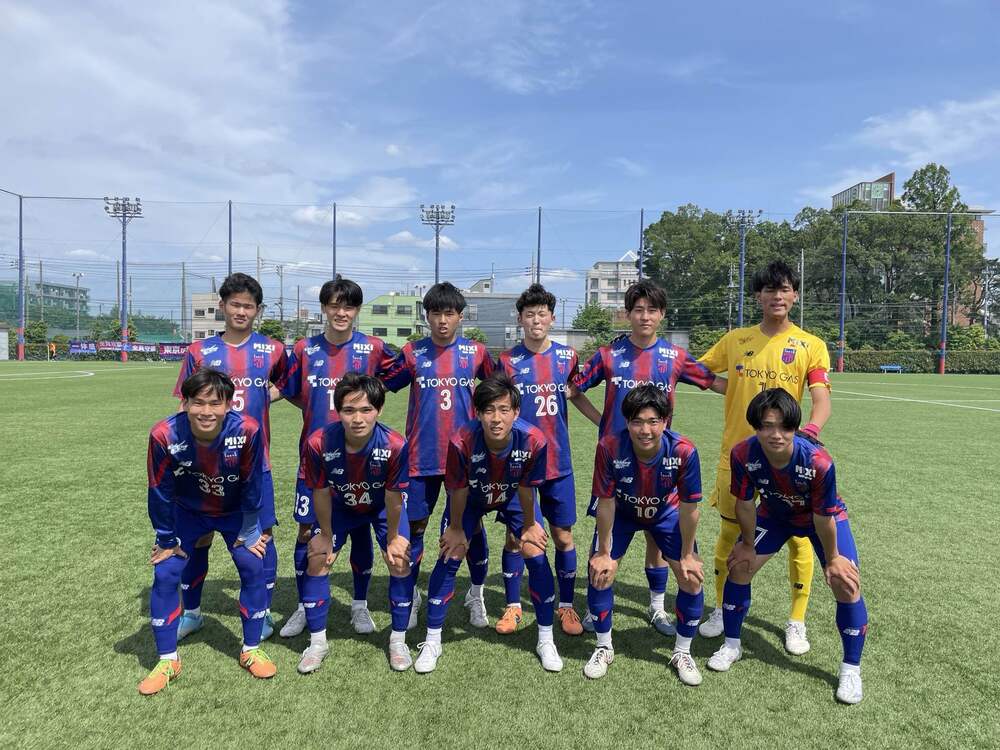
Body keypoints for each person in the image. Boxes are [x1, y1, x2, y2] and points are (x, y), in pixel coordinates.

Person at [697, 260, 832, 655]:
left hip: (788, 459)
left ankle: (796, 621)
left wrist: (811, 431)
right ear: (758, 296)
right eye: (770, 289)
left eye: (785, 289)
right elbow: (697, 371)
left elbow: (821, 398)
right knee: (729, 535)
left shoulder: (810, 345)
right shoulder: (735, 339)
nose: (777, 296)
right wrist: (731, 387)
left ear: (795, 295)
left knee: (799, 540)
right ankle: (721, 608)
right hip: (737, 456)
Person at [573, 279, 722, 635]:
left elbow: (714, 382)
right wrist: (603, 422)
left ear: (662, 314)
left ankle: (657, 607)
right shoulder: (608, 355)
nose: (644, 316)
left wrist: (756, 391)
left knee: (657, 538)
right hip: (616, 462)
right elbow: (573, 390)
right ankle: (596, 605)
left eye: (651, 310)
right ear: (627, 314)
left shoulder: (674, 356)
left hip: (659, 463)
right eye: (637, 310)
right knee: (605, 529)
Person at [707, 388, 866, 705]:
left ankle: (851, 668)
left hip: (820, 519)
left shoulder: (818, 462)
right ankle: (732, 645)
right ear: (756, 426)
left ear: (795, 426)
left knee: (845, 582)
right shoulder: (743, 454)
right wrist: (748, 545)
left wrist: (833, 558)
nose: (776, 434)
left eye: (784, 426)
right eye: (767, 426)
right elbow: (745, 504)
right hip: (775, 515)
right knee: (738, 566)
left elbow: (823, 517)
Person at [274, 277, 397, 639]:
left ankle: (359, 604)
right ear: (324, 308)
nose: (341, 312)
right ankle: (304, 605)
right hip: (315, 458)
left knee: (360, 529)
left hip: (365, 459)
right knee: (307, 531)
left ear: (357, 310)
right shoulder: (304, 349)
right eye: (334, 305)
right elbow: (290, 389)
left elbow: (401, 377)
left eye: (349, 306)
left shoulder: (375, 348)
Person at [413, 374, 562, 674]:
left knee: (534, 551)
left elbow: (526, 486)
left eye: (504, 409)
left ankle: (546, 640)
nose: (496, 418)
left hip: (513, 494)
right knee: (451, 553)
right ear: (478, 413)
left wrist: (530, 524)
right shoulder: (461, 440)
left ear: (516, 412)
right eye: (489, 410)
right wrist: (456, 528)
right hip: (471, 497)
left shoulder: (533, 439)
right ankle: (432, 641)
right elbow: (457, 489)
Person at [139, 369, 275, 694]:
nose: (206, 411)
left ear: (228, 404)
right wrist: (166, 539)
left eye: (215, 403)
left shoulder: (247, 430)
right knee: (166, 571)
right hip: (188, 512)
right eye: (198, 402)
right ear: (185, 403)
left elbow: (252, 482)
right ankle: (168, 660)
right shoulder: (164, 435)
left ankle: (251, 649)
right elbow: (159, 490)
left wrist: (250, 529)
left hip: (234, 512)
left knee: (252, 563)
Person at [171, 273, 287, 642]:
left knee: (261, 537)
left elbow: (288, 384)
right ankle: (192, 613)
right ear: (222, 306)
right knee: (197, 538)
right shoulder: (199, 352)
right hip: (205, 465)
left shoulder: (273, 349)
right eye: (234, 304)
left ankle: (262, 614)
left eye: (248, 306)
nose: (241, 311)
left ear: (258, 310)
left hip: (254, 464)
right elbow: (185, 403)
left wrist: (262, 397)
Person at [382, 282, 495, 628]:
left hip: (466, 459)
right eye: (435, 313)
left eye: (449, 313)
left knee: (471, 527)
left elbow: (498, 393)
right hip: (421, 458)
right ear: (426, 316)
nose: (442, 320)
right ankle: (410, 594)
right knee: (414, 528)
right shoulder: (412, 353)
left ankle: (476, 592)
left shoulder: (476, 353)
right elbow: (381, 385)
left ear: (460, 317)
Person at [585, 385, 705, 684]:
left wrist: (688, 554)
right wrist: (603, 552)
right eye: (637, 421)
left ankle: (682, 652)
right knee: (600, 572)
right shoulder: (610, 447)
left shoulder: (684, 450)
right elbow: (606, 502)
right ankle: (603, 647)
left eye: (653, 421)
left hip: (665, 512)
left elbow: (690, 508)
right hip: (623, 512)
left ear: (665, 421)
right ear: (627, 422)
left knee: (691, 578)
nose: (645, 430)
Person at [296, 374, 415, 673]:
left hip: (380, 507)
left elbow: (393, 497)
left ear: (379, 409)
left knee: (400, 559)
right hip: (340, 506)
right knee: (318, 557)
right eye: (349, 410)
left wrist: (393, 538)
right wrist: (325, 534)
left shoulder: (395, 444)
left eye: (366, 410)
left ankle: (398, 640)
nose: (358, 419)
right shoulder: (318, 442)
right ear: (338, 410)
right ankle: (317, 643)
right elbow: (320, 492)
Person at [496, 283, 594, 636]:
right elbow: (498, 407)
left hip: (558, 463)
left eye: (542, 314)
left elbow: (576, 394)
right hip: (517, 465)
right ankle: (513, 605)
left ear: (552, 318)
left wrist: (604, 423)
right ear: (520, 319)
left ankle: (566, 606)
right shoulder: (506, 361)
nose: (536, 320)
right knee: (516, 537)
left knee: (563, 536)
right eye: (529, 315)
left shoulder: (567, 357)